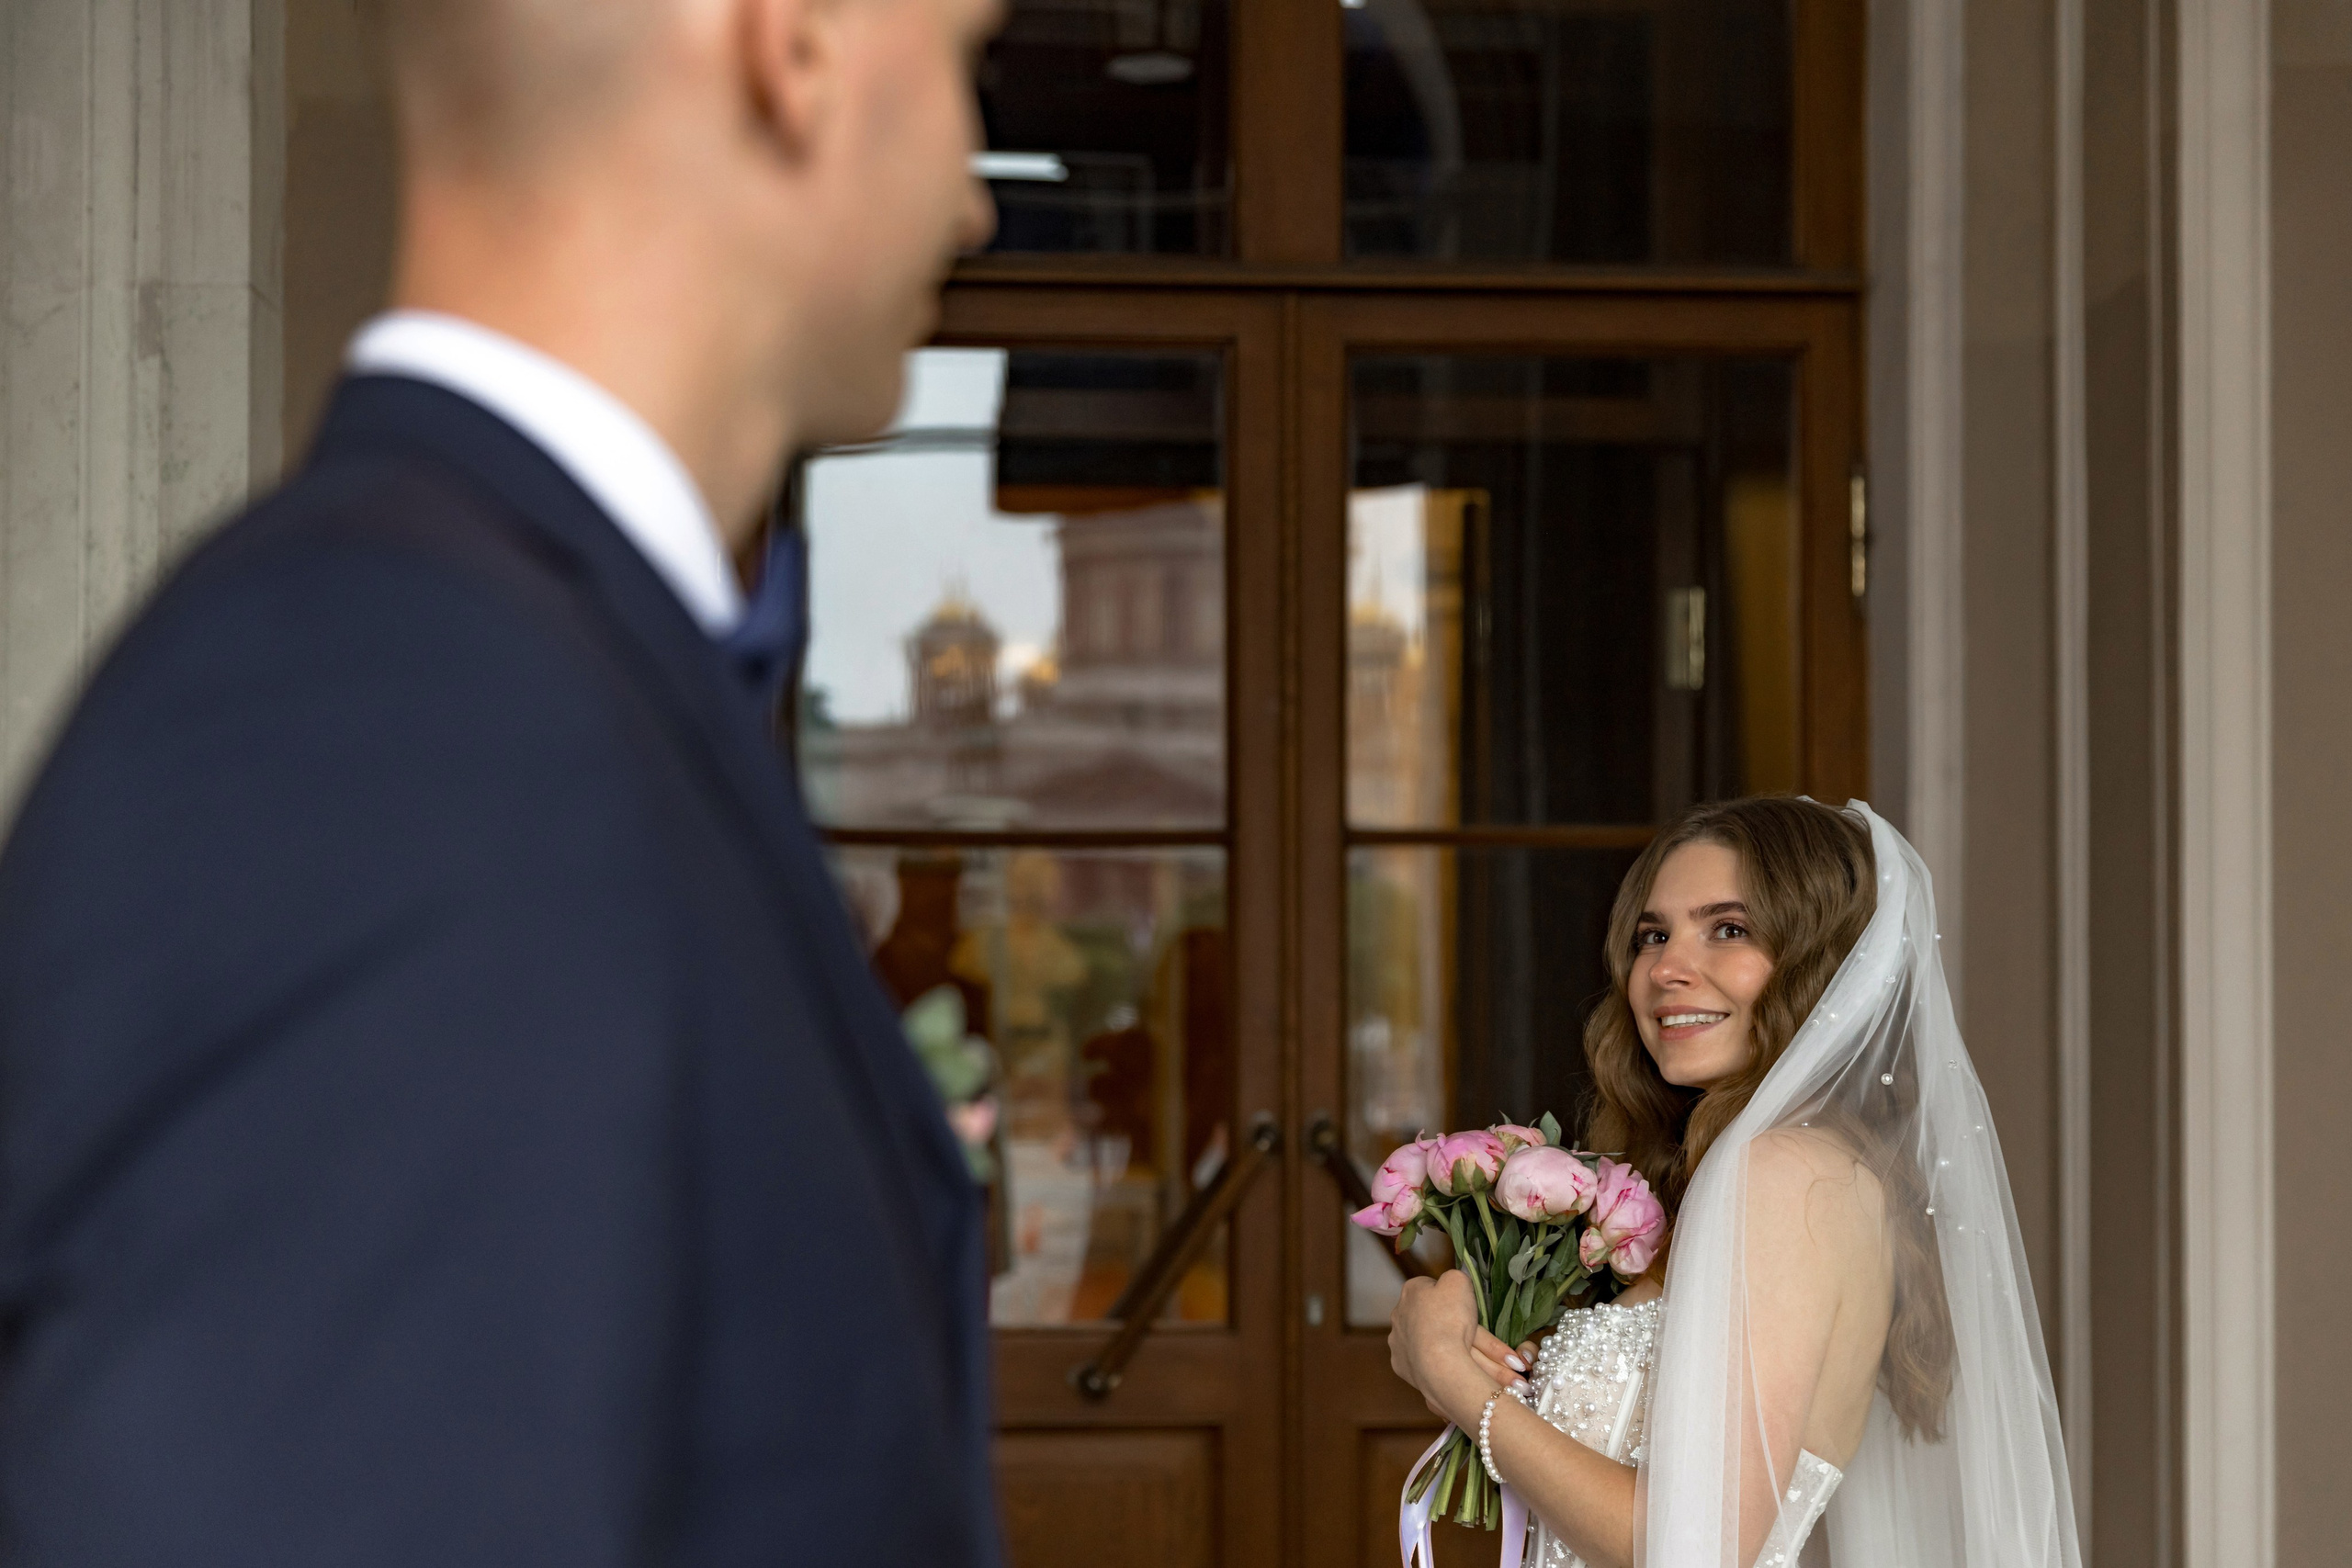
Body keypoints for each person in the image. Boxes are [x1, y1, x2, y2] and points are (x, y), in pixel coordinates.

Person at [0, 0, 1005, 1562]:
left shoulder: (519, 671)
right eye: (962, 57)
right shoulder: (384, 718)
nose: (975, 196)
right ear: (790, 45)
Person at [1385, 797, 2082, 1568]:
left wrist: (1455, 1379)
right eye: (1654, 935)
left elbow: (1697, 1549)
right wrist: (1475, 1338)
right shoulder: (1780, 1172)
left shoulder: (1785, 1174)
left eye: (1729, 929)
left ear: (1822, 963)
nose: (1666, 970)